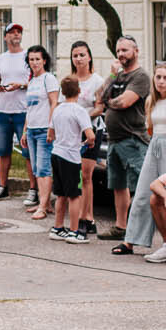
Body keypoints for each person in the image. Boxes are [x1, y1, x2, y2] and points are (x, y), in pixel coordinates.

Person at [121, 62, 166, 256]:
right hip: (155, 145)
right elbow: (150, 128)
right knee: (143, 191)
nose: (161, 81)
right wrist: (158, 142)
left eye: (165, 78)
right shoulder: (150, 100)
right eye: (158, 77)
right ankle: (130, 240)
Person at [97, 38, 152, 241]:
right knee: (118, 186)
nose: (121, 54)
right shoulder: (118, 75)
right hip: (114, 139)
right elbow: (99, 96)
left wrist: (107, 101)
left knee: (140, 187)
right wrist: (112, 75)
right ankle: (121, 227)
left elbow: (124, 102)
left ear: (136, 51)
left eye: (125, 50)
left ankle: (141, 230)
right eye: (118, 50)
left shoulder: (141, 76)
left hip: (133, 139)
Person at [47, 75, 97, 242]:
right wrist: (88, 143)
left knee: (60, 194)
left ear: (62, 92)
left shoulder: (57, 109)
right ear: (79, 91)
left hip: (56, 154)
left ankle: (58, 227)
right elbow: (90, 135)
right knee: (75, 195)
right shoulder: (79, 111)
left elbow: (50, 134)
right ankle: (74, 231)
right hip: (71, 157)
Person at [0, 23, 31, 200]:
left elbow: (35, 81)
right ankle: (3, 187)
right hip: (3, 111)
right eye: (12, 32)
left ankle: (33, 189)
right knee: (2, 151)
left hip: (22, 110)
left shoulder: (28, 56)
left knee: (27, 152)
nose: (16, 35)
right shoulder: (1, 58)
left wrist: (21, 85)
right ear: (5, 37)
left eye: (19, 32)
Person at [62, 42, 101, 231]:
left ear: (89, 57)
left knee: (86, 176)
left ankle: (85, 218)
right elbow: (62, 105)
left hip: (90, 131)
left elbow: (100, 107)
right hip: (71, 134)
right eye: (75, 55)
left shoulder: (97, 81)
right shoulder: (69, 80)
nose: (78, 59)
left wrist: (83, 119)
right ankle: (84, 218)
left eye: (82, 55)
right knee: (72, 175)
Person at [20, 45, 59, 213]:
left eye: (37, 59)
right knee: (36, 168)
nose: (34, 62)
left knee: (44, 168)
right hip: (31, 130)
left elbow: (54, 103)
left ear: (44, 61)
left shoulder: (48, 79)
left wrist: (51, 127)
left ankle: (42, 206)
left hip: (44, 130)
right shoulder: (32, 81)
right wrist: (24, 131)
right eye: (31, 59)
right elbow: (29, 109)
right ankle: (45, 203)